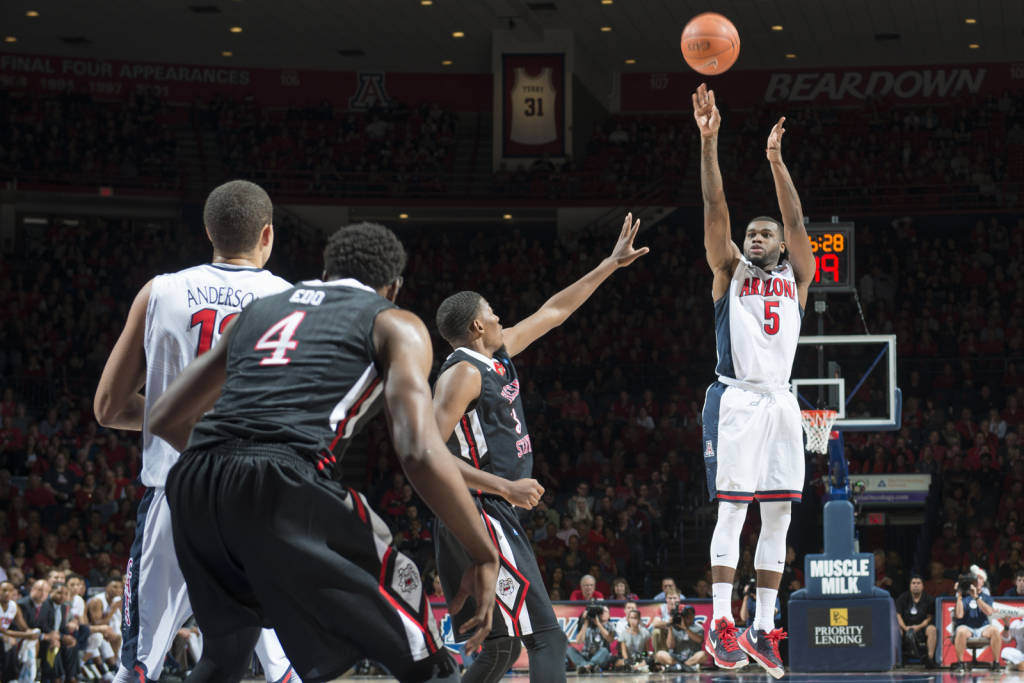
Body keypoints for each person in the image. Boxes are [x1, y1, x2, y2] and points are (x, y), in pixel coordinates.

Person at [148, 222, 500, 683]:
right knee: (424, 653)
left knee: (224, 659)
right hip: (284, 476)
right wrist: (483, 552)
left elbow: (165, 418)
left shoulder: (259, 311)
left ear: (325, 271)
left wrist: (229, 468)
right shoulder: (395, 321)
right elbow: (418, 451)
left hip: (195, 480)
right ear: (393, 287)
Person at [93, 180, 298, 683]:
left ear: (208, 230)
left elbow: (107, 407)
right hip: (257, 498)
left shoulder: (160, 290)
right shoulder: (293, 301)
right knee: (285, 666)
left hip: (177, 493)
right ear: (267, 235)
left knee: (138, 666)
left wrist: (178, 419)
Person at [431, 214, 648, 683]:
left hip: (483, 510)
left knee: (500, 649)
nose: (500, 316)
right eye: (492, 312)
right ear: (475, 325)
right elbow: (427, 453)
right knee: (547, 638)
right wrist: (504, 486)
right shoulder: (462, 374)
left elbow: (554, 311)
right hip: (477, 510)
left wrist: (610, 264)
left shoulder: (494, 355)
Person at [693, 82, 816, 680]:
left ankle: (763, 626)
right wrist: (710, 141)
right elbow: (716, 209)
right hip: (736, 398)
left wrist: (775, 162)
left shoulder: (797, 277)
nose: (758, 237)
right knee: (734, 512)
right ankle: (719, 618)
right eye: (754, 233)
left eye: (766, 234)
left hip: (782, 403)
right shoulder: (728, 272)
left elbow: (795, 217)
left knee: (780, 517)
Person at [951, 574, 1000, 673]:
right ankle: (960, 663)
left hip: (983, 628)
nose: (977, 582)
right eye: (975, 580)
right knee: (960, 631)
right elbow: (959, 615)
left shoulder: (986, 597)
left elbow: (989, 612)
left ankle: (996, 663)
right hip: (967, 628)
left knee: (995, 630)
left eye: (980, 579)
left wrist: (976, 597)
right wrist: (959, 595)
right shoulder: (964, 597)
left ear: (983, 583)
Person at [895, 574, 937, 668]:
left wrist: (919, 626)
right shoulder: (903, 597)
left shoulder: (929, 599)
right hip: (906, 627)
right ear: (910, 585)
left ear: (923, 585)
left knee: (932, 629)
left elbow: (929, 617)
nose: (916, 585)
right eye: (913, 583)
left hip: (922, 628)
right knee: (897, 630)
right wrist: (905, 627)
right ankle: (898, 660)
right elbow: (898, 615)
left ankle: (929, 659)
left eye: (918, 583)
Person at [653, 604, 706, 673]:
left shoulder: (698, 628)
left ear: (694, 616)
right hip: (676, 657)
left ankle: (679, 667)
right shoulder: (674, 627)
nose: (688, 617)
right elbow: (670, 646)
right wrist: (670, 627)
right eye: (686, 615)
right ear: (682, 616)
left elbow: (699, 640)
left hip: (691, 657)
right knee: (659, 654)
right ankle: (687, 667)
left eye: (690, 614)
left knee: (703, 655)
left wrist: (685, 629)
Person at [566, 605, 614, 675]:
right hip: (585, 656)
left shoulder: (609, 625)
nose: (602, 614)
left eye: (605, 612)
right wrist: (585, 624)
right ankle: (589, 666)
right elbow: (579, 641)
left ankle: (584, 666)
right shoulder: (586, 624)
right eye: (602, 612)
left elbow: (610, 639)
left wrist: (598, 623)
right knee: (570, 650)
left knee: (605, 650)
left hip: (600, 657)